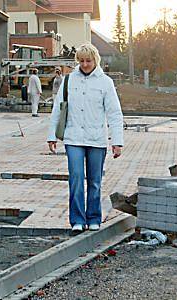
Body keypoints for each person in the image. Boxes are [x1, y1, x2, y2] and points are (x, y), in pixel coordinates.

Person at [47, 44, 124, 233]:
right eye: (81, 61)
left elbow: (114, 113)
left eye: (88, 61)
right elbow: (58, 109)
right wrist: (52, 136)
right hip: (73, 138)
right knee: (76, 178)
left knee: (95, 180)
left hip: (96, 139)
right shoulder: (68, 80)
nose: (85, 64)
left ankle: (94, 217)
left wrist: (117, 141)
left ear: (95, 60)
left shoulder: (105, 82)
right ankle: (77, 220)